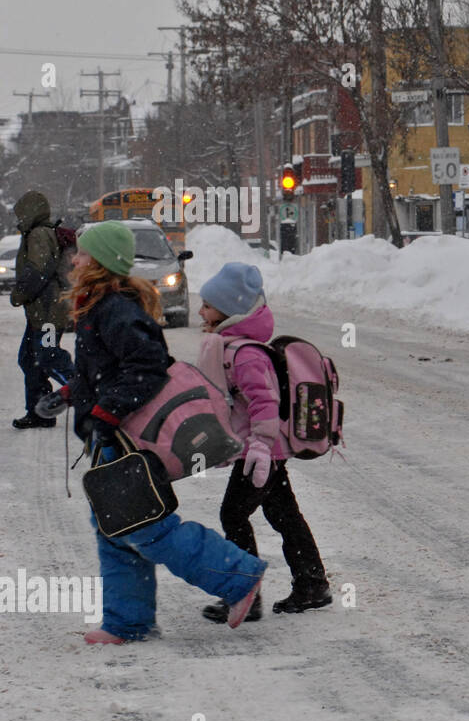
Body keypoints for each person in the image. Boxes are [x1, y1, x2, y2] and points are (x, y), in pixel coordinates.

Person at [35, 220, 267, 643]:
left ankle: (238, 576)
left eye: (84, 254)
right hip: (108, 435)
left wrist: (106, 412)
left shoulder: (116, 310)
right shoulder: (98, 305)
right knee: (114, 527)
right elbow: (107, 370)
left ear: (101, 263)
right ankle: (128, 622)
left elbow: (146, 368)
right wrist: (71, 393)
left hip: (124, 439)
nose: (76, 259)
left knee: (144, 527)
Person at [194, 262, 331, 620]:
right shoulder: (231, 347)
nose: (200, 311)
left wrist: (259, 447)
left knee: (233, 514)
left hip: (261, 452)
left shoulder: (246, 353)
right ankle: (312, 584)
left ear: (227, 310)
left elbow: (265, 402)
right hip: (262, 450)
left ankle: (245, 595)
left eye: (207, 305)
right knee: (283, 513)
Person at [10, 191, 75, 428]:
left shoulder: (38, 234)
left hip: (49, 313)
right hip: (40, 312)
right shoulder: (41, 232)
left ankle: (84, 388)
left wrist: (19, 294)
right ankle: (39, 412)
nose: (19, 219)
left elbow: (38, 270)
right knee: (29, 359)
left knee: (47, 356)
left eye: (21, 214)